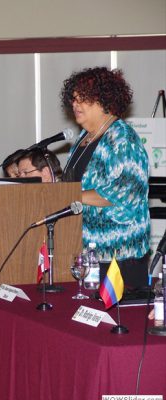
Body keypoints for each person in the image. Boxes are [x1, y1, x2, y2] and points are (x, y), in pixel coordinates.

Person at [60, 67, 150, 289]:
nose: (75, 104)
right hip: (86, 254)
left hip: (118, 256)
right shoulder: (84, 139)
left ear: (104, 100)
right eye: (73, 99)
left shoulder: (123, 140)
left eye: (82, 98)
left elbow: (123, 193)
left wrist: (69, 196)